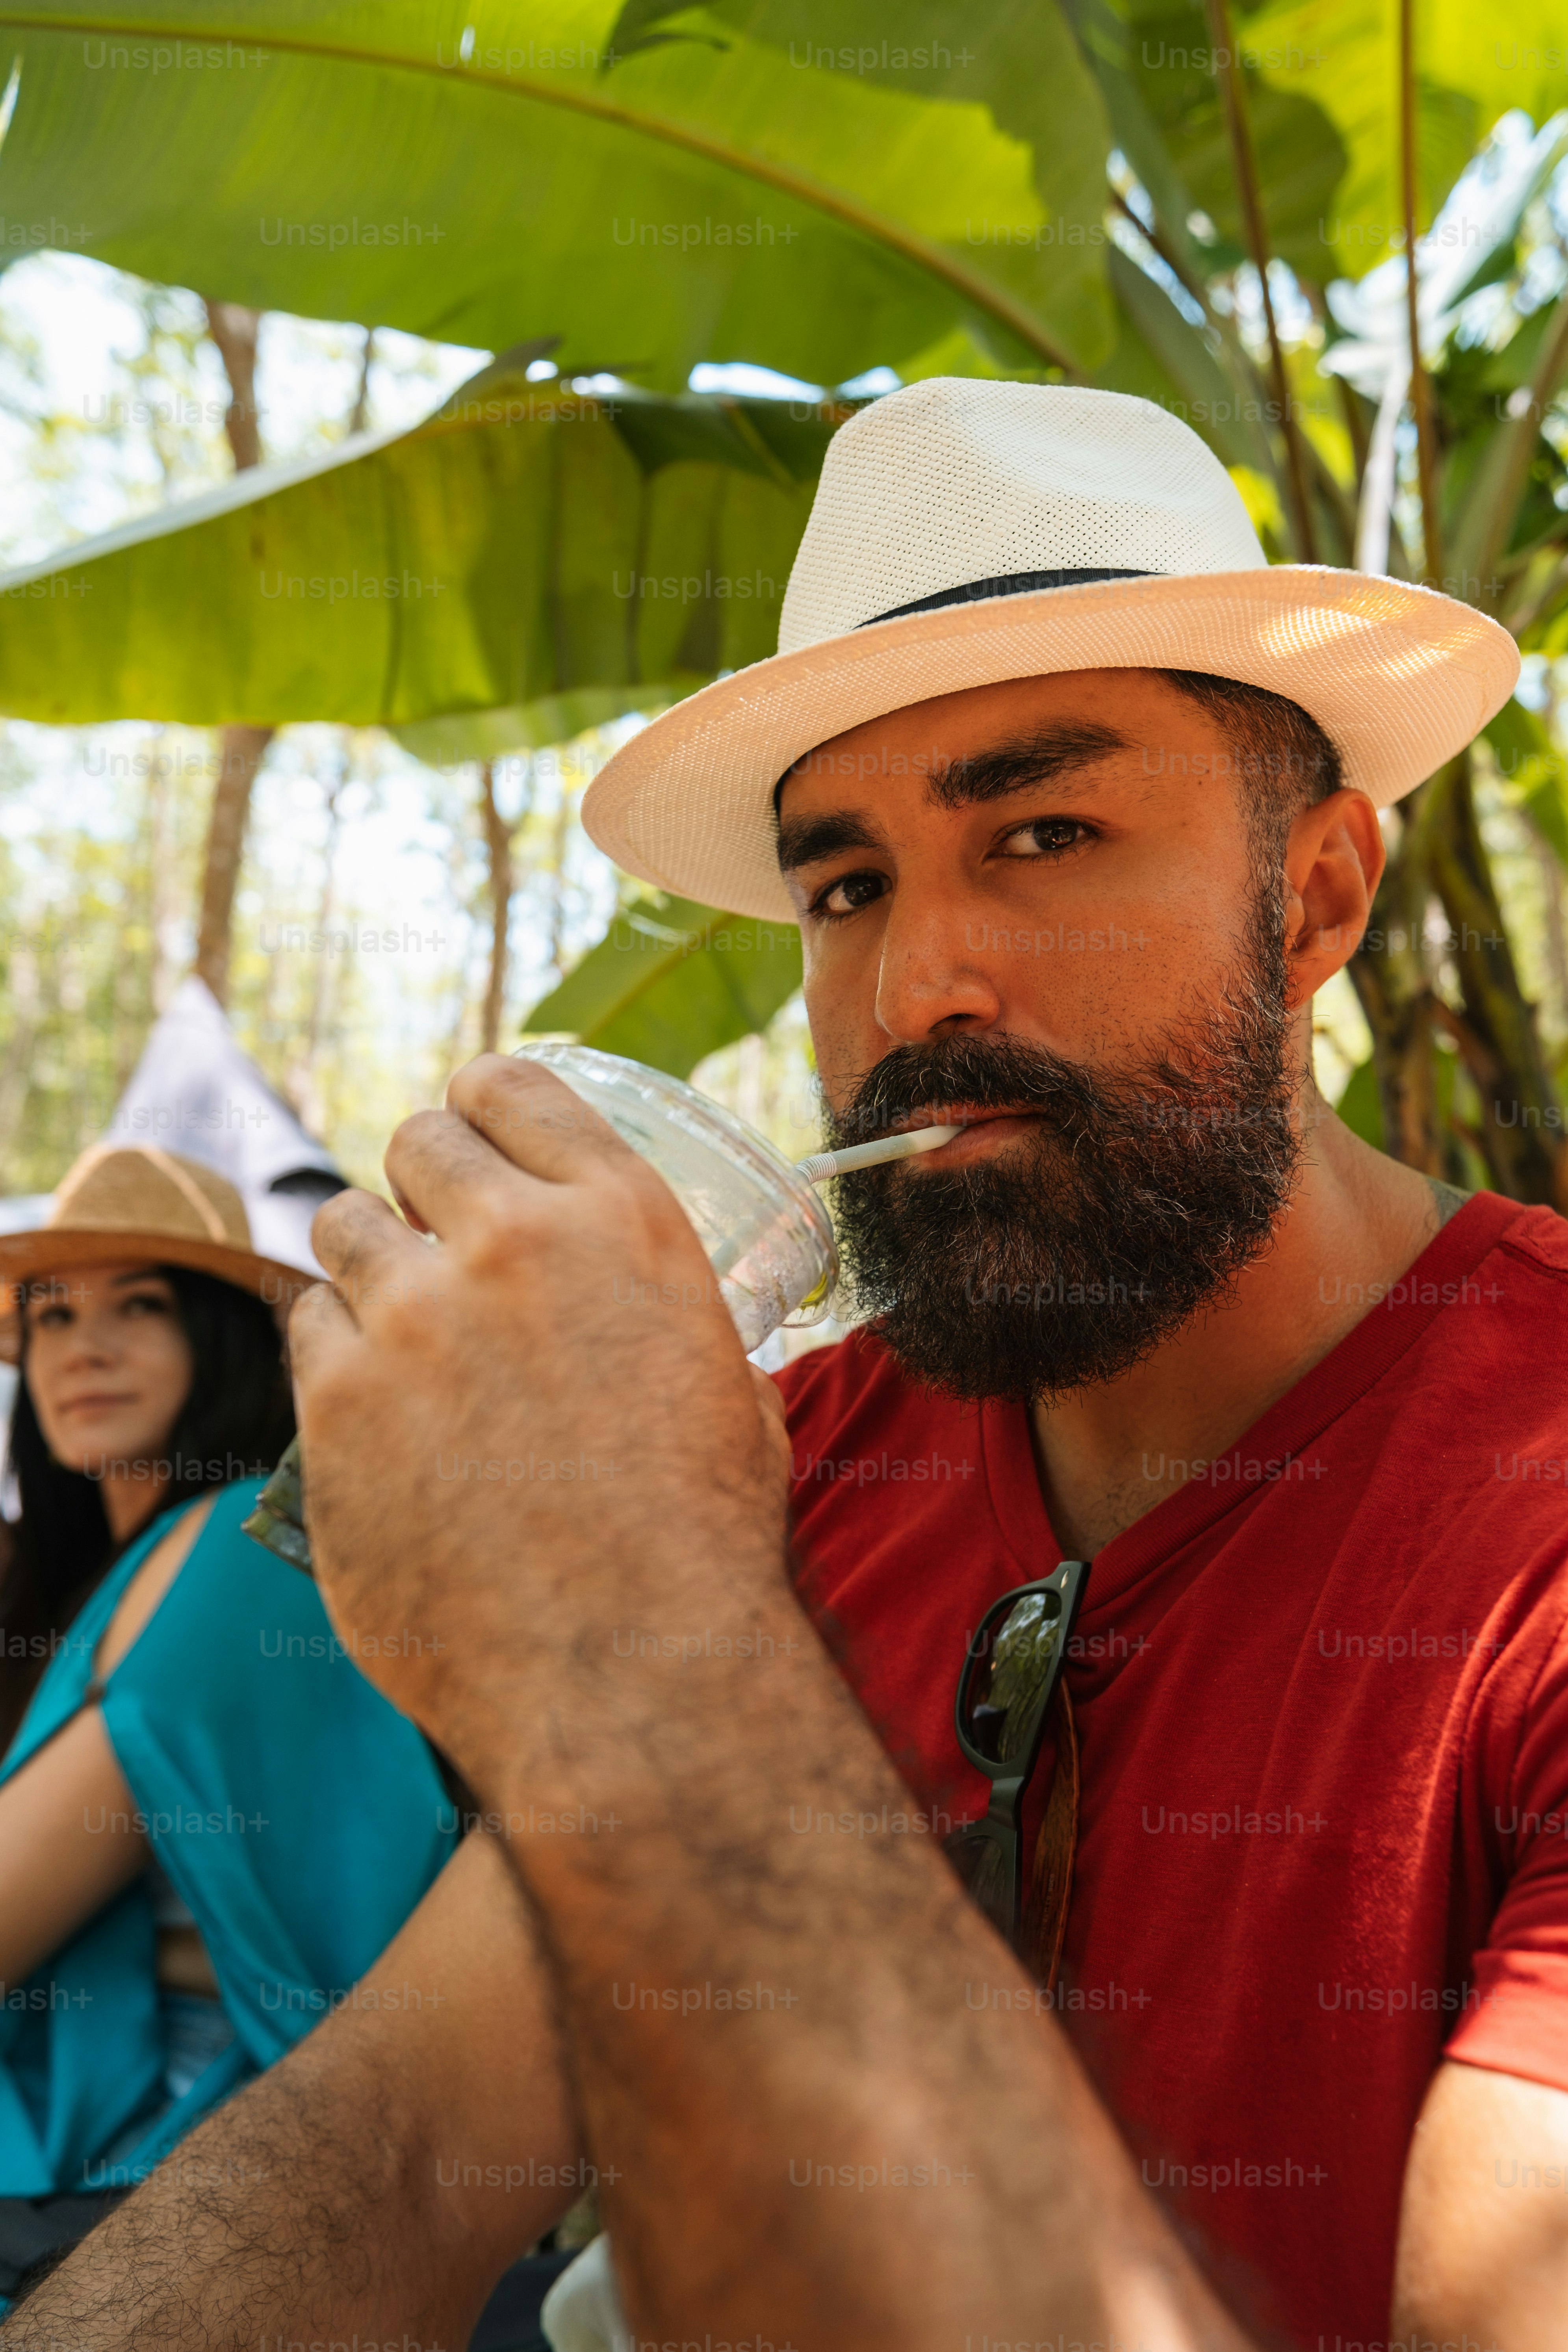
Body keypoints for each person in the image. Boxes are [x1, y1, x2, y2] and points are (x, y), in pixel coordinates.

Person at [7, 380, 1567, 2352]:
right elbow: (403, 2151)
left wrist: (641, 1638)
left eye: (1047, 829)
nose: (919, 987)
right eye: (847, 886)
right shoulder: (802, 1456)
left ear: (1319, 896)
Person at [0, 1142, 454, 2302]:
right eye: (50, 1318)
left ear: (223, 1335)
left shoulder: (239, 1546)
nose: (82, 1346)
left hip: (178, 2156)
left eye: (137, 1306)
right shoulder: (135, 1567)